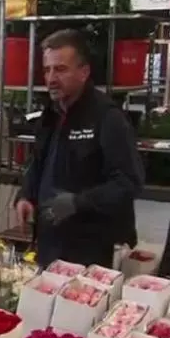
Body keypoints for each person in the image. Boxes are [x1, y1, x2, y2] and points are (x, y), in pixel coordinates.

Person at [15, 29, 144, 269]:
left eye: (60, 69)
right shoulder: (50, 114)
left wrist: (79, 202)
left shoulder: (107, 118)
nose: (51, 78)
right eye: (47, 70)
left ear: (84, 72)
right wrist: (25, 196)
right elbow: (38, 164)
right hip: (50, 243)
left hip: (93, 250)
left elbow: (128, 182)